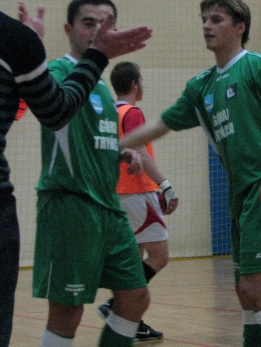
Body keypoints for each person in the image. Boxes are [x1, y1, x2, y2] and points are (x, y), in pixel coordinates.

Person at [119, 1, 261, 345]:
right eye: (204, 19)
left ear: (239, 27)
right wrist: (112, 147)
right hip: (240, 194)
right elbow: (159, 125)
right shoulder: (201, 86)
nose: (206, 25)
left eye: (216, 19)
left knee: (257, 288)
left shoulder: (258, 66)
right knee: (242, 291)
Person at [0, 3, 151, 346]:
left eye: (104, 24)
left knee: (135, 297)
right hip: (70, 207)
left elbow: (87, 141)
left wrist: (119, 152)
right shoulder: (56, 69)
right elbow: (44, 105)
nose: (97, 31)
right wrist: (31, 45)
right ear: (68, 31)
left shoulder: (100, 87)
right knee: (68, 313)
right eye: (87, 23)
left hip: (109, 209)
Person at [94, 62, 180, 340]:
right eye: (141, 80)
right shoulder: (131, 112)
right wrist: (166, 186)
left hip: (116, 194)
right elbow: (139, 149)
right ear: (134, 84)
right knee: (160, 256)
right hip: (138, 192)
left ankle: (135, 322)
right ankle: (118, 305)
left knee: (136, 258)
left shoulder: (108, 113)